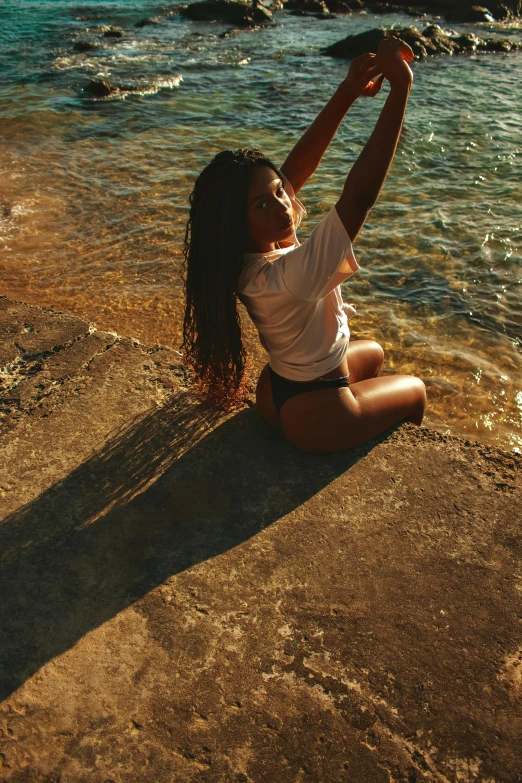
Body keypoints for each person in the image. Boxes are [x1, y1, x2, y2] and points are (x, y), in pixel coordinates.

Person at [182, 35, 427, 453]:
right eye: (265, 202)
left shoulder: (252, 250)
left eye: (279, 192)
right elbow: (358, 196)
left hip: (277, 390)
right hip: (319, 412)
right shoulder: (290, 275)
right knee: (417, 390)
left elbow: (296, 167)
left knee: (376, 352)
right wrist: (399, 91)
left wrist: (348, 92)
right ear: (238, 223)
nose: (283, 204)